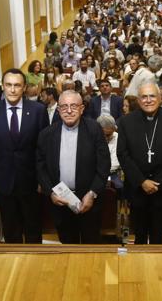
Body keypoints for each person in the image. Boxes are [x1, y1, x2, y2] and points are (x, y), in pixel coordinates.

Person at [0, 68, 49, 243]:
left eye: (17, 85)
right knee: (11, 231)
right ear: (2, 86)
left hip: (31, 183)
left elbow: (44, 150)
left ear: (24, 87)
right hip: (3, 183)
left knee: (33, 230)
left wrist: (43, 180)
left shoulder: (38, 110)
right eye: (8, 85)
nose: (12, 89)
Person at [36, 91, 111, 244]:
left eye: (74, 106)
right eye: (64, 107)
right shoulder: (46, 134)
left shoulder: (95, 130)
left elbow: (104, 165)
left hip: (89, 201)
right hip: (60, 202)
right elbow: (40, 166)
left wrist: (92, 194)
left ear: (82, 109)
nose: (69, 111)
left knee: (91, 247)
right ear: (58, 110)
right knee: (68, 246)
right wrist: (50, 192)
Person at [116, 81, 162, 244]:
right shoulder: (126, 122)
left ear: (160, 98)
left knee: (158, 234)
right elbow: (123, 154)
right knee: (138, 233)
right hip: (136, 187)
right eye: (144, 97)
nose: (148, 100)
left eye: (152, 96)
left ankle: (158, 266)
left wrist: (157, 182)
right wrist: (142, 181)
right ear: (138, 100)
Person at [97, 115, 123, 191]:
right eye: (105, 135)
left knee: (119, 186)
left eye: (109, 134)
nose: (107, 138)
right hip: (94, 174)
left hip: (113, 174)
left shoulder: (118, 138)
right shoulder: (92, 138)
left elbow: (115, 164)